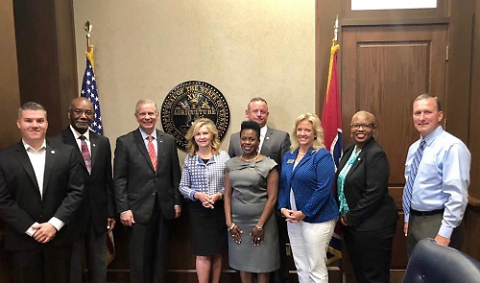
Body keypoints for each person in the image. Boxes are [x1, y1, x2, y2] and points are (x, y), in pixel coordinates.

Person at [0, 102, 84, 283]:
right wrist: (32, 229)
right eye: (28, 120)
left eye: (39, 120)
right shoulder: (4, 159)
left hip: (59, 239)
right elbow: (3, 200)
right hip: (23, 242)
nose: (34, 125)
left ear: (47, 124)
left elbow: (76, 192)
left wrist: (53, 225)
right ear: (18, 123)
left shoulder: (67, 153)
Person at [113, 98, 182, 283]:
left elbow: (175, 174)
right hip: (137, 210)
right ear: (136, 117)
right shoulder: (125, 142)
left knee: (161, 258)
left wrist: (176, 201)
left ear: (157, 115)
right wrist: (123, 209)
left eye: (150, 113)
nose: (147, 117)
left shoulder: (168, 140)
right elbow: (119, 179)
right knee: (139, 260)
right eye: (143, 114)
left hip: (164, 208)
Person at [51, 97, 116, 283]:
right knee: (73, 267)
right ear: (69, 113)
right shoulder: (56, 142)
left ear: (93, 116)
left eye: (88, 112)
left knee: (99, 265)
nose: (83, 116)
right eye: (78, 111)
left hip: (98, 214)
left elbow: (106, 180)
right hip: (70, 216)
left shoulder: (102, 142)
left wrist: (110, 211)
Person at [228, 97, 290, 283]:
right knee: (244, 260)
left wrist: (281, 205)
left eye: (263, 111)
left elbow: (285, 174)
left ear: (267, 114)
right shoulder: (234, 138)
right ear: (247, 113)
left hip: (269, 209)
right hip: (240, 212)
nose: (259, 114)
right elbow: (232, 173)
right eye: (255, 111)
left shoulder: (281, 137)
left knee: (269, 257)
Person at [403, 94, 470, 256]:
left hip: (437, 222)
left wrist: (445, 233)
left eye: (427, 112)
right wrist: (407, 217)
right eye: (417, 113)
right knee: (418, 274)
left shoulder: (452, 147)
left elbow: (457, 196)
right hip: (414, 221)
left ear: (440, 116)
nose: (422, 118)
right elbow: (411, 185)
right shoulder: (414, 148)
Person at [336, 111, 398, 283]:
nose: (360, 129)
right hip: (354, 226)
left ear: (373, 129)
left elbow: (374, 193)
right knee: (360, 272)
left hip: (373, 227)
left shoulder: (376, 153)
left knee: (374, 276)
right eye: (356, 125)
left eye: (366, 125)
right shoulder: (350, 151)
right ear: (350, 129)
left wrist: (351, 217)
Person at [278, 112, 338, 283]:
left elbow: (324, 189)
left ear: (315, 133)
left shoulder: (322, 155)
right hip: (293, 218)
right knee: (301, 266)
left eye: (307, 130)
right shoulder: (289, 155)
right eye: (299, 129)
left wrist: (304, 212)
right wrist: (283, 208)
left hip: (317, 219)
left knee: (315, 268)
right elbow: (283, 185)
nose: (302, 134)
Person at [224, 120, 280, 283]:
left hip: (263, 224)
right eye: (244, 139)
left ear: (258, 141)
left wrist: (260, 225)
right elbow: (227, 194)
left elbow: (273, 198)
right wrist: (229, 222)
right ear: (239, 139)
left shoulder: (269, 165)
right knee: (243, 265)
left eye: (251, 139)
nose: (247, 143)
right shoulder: (231, 164)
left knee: (263, 266)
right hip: (237, 224)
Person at [179, 118, 229, 283]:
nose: (202, 137)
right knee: (202, 254)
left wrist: (218, 195)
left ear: (212, 134)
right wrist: (198, 195)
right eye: (198, 134)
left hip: (219, 209)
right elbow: (183, 187)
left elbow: (229, 185)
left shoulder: (223, 157)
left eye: (205, 133)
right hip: (198, 212)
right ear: (193, 137)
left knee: (217, 252)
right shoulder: (190, 159)